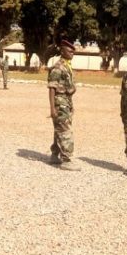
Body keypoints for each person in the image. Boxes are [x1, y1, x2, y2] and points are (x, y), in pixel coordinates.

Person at [48, 40, 79, 171]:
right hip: (60, 103)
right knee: (65, 130)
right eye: (69, 51)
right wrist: (52, 108)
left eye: (73, 51)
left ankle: (55, 154)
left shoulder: (67, 65)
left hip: (66, 102)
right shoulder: (58, 67)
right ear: (62, 51)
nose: (72, 53)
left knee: (59, 129)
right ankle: (67, 160)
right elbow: (51, 88)